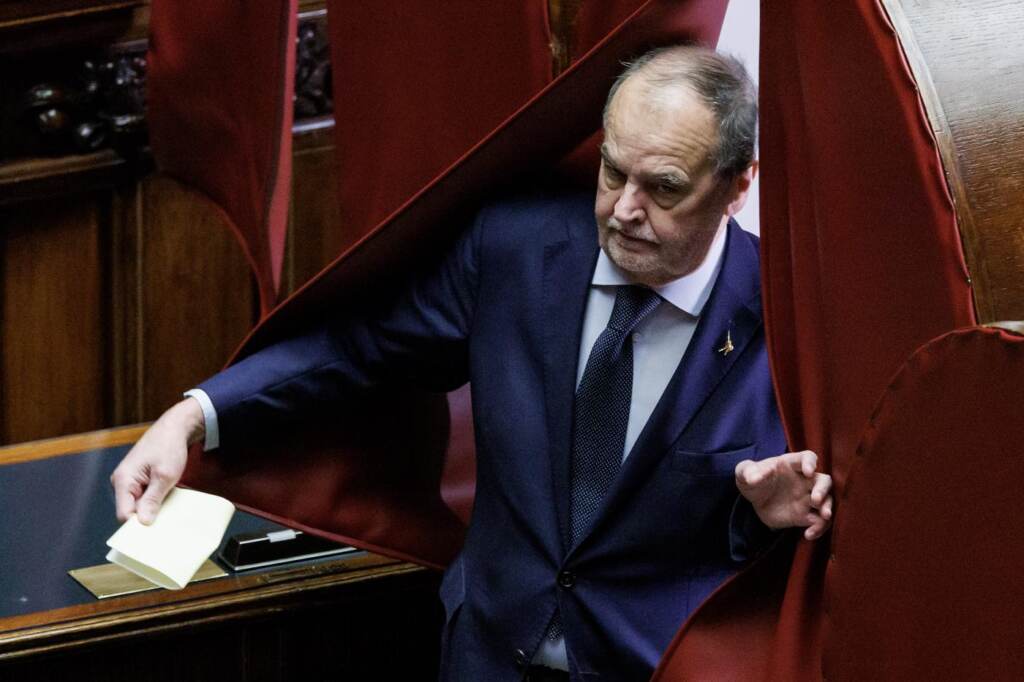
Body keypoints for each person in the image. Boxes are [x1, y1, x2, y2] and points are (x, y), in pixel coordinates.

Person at [112, 45, 833, 681]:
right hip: (488, 658)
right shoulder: (514, 249)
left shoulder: (791, 315)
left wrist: (769, 517)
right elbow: (355, 348)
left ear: (738, 185)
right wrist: (192, 416)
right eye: (614, 172)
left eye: (665, 187)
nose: (624, 210)